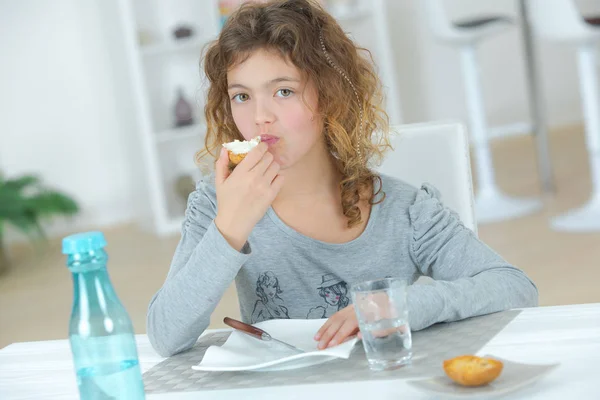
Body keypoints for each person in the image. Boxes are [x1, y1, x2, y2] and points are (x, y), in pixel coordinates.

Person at [147, 0, 538, 357]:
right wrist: (229, 229)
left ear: (330, 96)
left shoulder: (404, 211)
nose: (260, 116)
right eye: (242, 96)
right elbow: (166, 336)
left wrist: (400, 306)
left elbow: (514, 287)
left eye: (283, 91)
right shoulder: (218, 203)